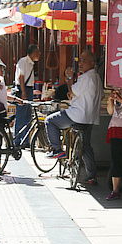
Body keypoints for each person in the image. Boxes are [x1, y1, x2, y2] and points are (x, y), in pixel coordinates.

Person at [46, 50, 103, 185]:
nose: (81, 63)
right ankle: (92, 176)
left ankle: (57, 150)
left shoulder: (87, 77)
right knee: (87, 146)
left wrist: (70, 78)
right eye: (80, 60)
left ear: (92, 63)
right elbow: (101, 96)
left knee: (50, 121)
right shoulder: (96, 77)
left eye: (85, 61)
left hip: (77, 115)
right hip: (90, 118)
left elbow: (72, 92)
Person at [13, 44, 40, 146]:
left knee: (28, 116)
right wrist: (24, 93)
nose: (39, 54)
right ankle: (16, 141)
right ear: (33, 53)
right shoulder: (23, 61)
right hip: (22, 90)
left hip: (28, 90)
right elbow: (21, 77)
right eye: (38, 52)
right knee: (20, 116)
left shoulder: (30, 63)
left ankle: (25, 141)